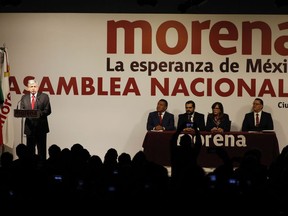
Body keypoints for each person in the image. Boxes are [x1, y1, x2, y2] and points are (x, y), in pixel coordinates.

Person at [20, 79, 52, 161]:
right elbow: (22, 111)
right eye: (31, 87)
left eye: (35, 86)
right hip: (29, 128)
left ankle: (43, 168)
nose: (33, 88)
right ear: (28, 88)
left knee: (42, 151)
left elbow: (47, 110)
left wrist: (37, 114)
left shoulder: (44, 96)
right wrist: (31, 113)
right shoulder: (24, 98)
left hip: (41, 128)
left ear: (37, 87)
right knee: (30, 152)